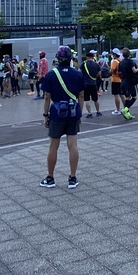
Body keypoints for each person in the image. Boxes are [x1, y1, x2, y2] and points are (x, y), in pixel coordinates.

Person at [39, 46, 84, 189]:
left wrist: (46, 115)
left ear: (57, 59)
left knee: (53, 146)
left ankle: (50, 178)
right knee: (73, 146)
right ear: (71, 58)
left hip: (57, 113)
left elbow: (47, 97)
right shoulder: (77, 74)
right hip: (72, 112)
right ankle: (72, 178)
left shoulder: (51, 75)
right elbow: (81, 95)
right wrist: (79, 113)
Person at [117, 48, 138, 120]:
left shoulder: (121, 62)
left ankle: (127, 113)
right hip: (130, 81)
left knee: (127, 97)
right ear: (129, 54)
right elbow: (134, 70)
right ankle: (125, 109)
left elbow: (119, 72)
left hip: (123, 81)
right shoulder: (130, 62)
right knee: (134, 97)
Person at [80, 50, 102, 118]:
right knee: (95, 99)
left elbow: (79, 72)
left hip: (86, 84)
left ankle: (89, 113)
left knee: (87, 99)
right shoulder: (96, 64)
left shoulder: (83, 64)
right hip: (93, 83)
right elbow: (99, 74)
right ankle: (98, 112)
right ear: (92, 57)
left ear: (87, 57)